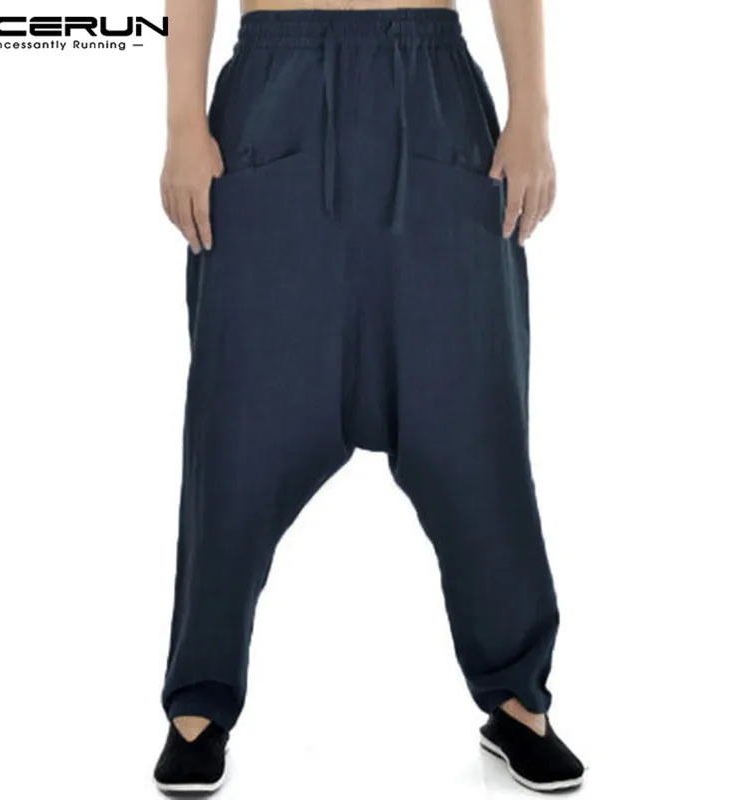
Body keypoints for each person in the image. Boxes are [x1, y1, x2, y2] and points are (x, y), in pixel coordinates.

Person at [154, 0, 584, 793]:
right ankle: (198, 704)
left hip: (433, 87)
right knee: (234, 429)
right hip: (273, 85)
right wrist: (183, 120)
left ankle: (518, 700)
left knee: (475, 423)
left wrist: (532, 114)